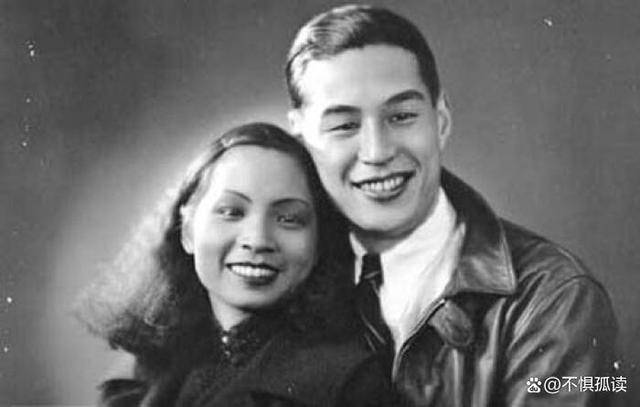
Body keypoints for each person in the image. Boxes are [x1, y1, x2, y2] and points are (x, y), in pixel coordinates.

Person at [285, 4, 618, 406]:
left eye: (402, 116)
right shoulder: (282, 278)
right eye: (344, 125)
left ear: (441, 121)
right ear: (301, 141)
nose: (377, 151)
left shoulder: (554, 298)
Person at [75, 123, 391, 406]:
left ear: (319, 241)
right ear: (187, 231)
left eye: (288, 218)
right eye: (231, 212)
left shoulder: (351, 382)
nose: (258, 239)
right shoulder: (146, 369)